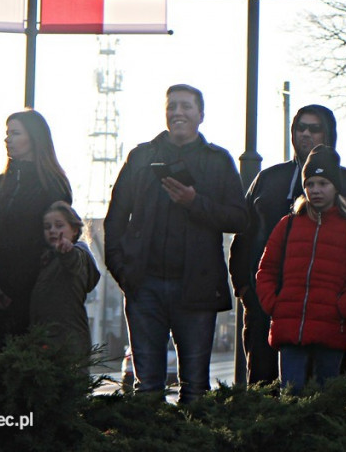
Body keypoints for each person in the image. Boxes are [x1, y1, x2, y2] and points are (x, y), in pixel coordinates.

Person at [104, 84, 247, 403]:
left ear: (201, 115)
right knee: (146, 389)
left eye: (185, 106)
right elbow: (115, 218)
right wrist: (123, 272)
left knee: (196, 389)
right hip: (144, 285)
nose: (178, 113)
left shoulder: (218, 160)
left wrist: (195, 202)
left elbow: (239, 218)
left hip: (196, 287)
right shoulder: (141, 157)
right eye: (172, 106)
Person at [230, 104, 346, 384]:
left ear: (329, 134)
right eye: (300, 127)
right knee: (266, 391)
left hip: (330, 319)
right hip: (268, 311)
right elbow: (244, 237)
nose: (305, 133)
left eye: (314, 128)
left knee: (325, 399)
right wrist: (249, 292)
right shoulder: (268, 180)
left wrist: (344, 305)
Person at [255, 146, 346, 393]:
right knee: (290, 401)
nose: (315, 190)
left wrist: (342, 308)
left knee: (326, 406)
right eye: (310, 183)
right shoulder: (288, 225)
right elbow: (266, 270)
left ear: (335, 186)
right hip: (290, 328)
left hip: (331, 331)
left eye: (323, 183)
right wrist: (275, 304)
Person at [0, 110, 73, 346]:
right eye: (7, 133)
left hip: (34, 285)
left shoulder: (53, 183)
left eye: (15, 133)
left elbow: (56, 236)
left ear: (34, 138)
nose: (8, 139)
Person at [29, 201, 101, 357]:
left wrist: (67, 253)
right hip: (47, 341)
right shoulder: (46, 259)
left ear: (74, 229)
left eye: (59, 225)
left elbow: (75, 262)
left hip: (69, 344)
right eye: (48, 227)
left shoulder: (79, 252)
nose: (53, 230)